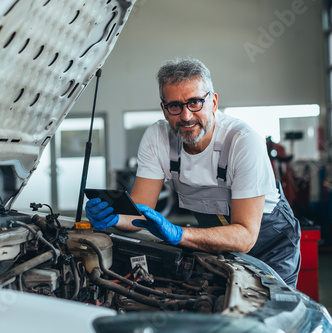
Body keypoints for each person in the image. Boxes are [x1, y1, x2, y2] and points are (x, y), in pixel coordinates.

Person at [86, 58, 301, 287]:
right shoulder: (157, 138)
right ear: (164, 110)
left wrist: (179, 234)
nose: (186, 116)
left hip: (269, 244)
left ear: (214, 102)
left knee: (264, 316)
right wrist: (115, 218)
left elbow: (246, 236)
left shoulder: (242, 141)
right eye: (175, 106)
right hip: (215, 241)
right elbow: (141, 213)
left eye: (195, 102)